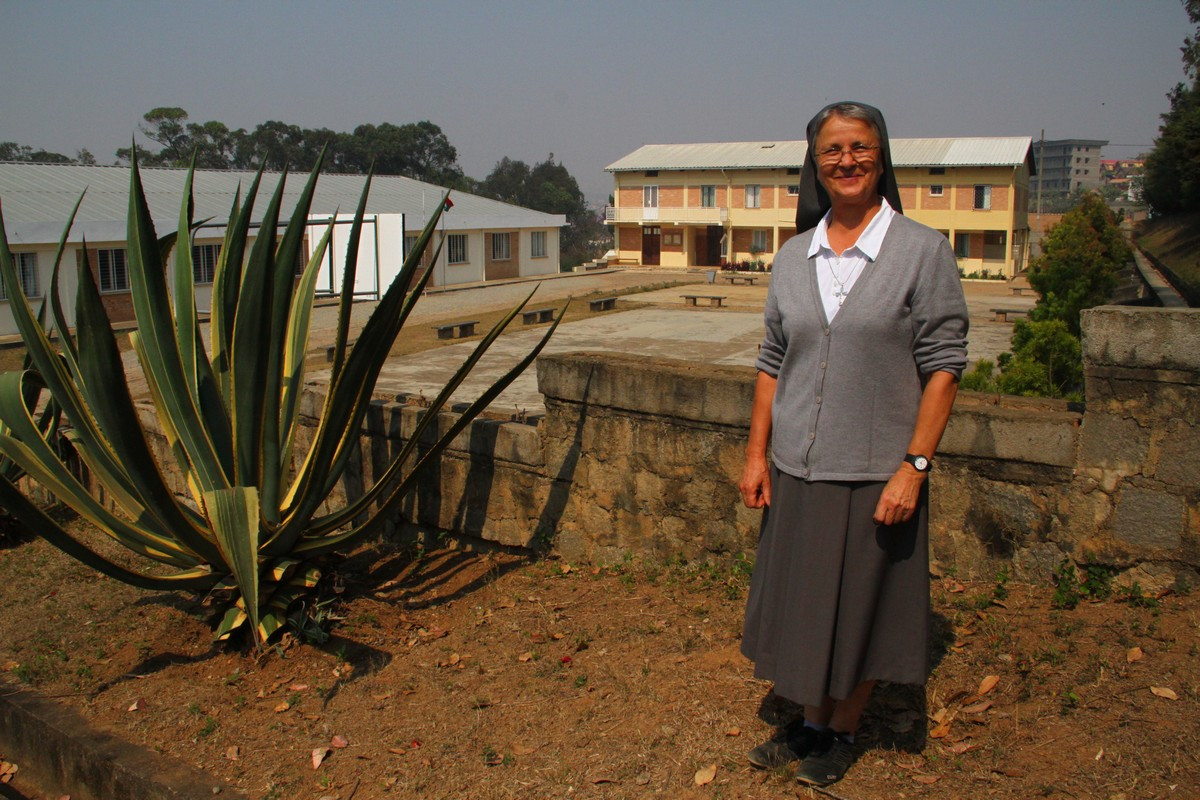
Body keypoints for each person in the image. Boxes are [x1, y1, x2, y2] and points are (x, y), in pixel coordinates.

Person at [738, 101, 968, 788]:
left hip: (876, 472)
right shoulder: (792, 255)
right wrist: (756, 454)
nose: (847, 161)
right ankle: (809, 721)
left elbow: (945, 367)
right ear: (816, 163)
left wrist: (914, 468)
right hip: (798, 468)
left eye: (860, 147)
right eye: (833, 149)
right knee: (809, 605)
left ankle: (842, 731)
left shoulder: (920, 252)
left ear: (881, 156)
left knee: (862, 609)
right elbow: (772, 362)